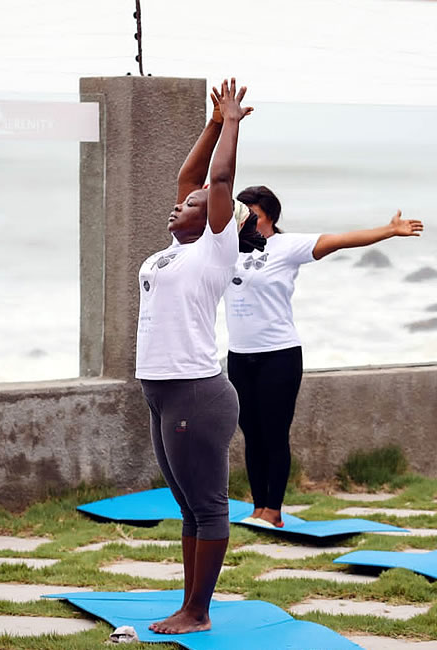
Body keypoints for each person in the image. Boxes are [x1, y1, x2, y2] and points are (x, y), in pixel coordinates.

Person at [136, 78, 258, 635]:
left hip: (196, 393)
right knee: (187, 509)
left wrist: (231, 123)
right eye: (181, 203)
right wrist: (209, 125)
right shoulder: (172, 252)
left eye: (192, 205)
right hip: (160, 393)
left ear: (214, 216)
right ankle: (190, 605)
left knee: (208, 507)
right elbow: (192, 177)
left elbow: (216, 180)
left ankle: (199, 611)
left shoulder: (214, 249)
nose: (178, 205)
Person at [225, 185, 422, 528]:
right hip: (239, 356)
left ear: (269, 215)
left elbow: (342, 239)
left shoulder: (288, 246)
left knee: (274, 433)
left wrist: (389, 230)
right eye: (240, 214)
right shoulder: (227, 249)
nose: (245, 221)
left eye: (252, 214)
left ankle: (274, 510)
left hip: (279, 355)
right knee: (250, 433)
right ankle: (257, 508)